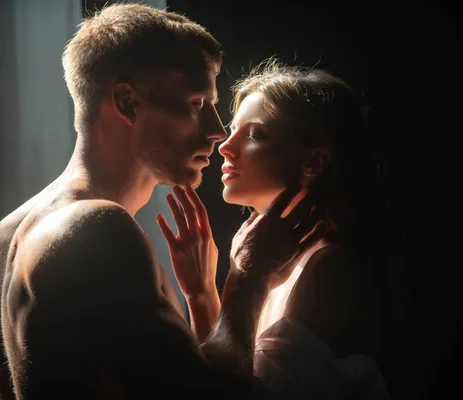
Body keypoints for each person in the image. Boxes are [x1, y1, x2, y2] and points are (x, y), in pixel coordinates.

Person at [0, 4, 323, 399]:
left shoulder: (9, 234)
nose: (217, 132)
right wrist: (249, 278)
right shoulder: (94, 228)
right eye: (195, 104)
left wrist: (202, 295)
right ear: (127, 102)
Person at [161, 57, 394, 398]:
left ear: (313, 162)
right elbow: (219, 376)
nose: (225, 145)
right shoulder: (283, 261)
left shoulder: (330, 268)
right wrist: (202, 294)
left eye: (255, 134)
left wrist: (245, 279)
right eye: (234, 128)